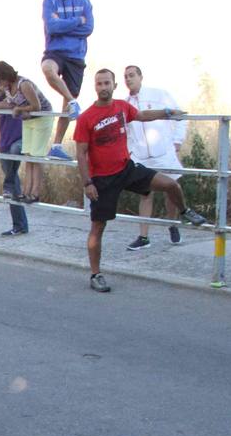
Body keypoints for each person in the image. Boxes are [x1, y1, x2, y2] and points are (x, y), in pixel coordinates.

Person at [74, 69, 207, 293]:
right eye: (99, 84)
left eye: (107, 83)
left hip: (126, 169)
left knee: (170, 184)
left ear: (114, 85)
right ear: (95, 87)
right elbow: (80, 153)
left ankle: (184, 212)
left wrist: (167, 112)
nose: (103, 87)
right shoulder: (86, 117)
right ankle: (96, 275)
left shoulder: (122, 107)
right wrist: (88, 183)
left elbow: (143, 116)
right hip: (102, 179)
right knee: (98, 227)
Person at [123, 65, 187, 249]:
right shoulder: (126, 103)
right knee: (145, 193)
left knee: (172, 188)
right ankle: (143, 237)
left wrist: (177, 141)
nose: (129, 79)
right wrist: (130, 152)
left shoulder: (159, 94)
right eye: (126, 76)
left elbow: (179, 115)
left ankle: (173, 225)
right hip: (141, 156)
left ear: (140, 77)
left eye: (132, 75)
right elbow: (126, 131)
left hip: (164, 152)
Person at [42, 0, 93, 161]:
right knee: (48, 69)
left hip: (76, 55)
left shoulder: (83, 0)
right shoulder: (49, 1)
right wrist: (76, 21)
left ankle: (56, 146)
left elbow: (88, 28)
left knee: (67, 102)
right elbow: (52, 27)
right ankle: (73, 102)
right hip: (55, 51)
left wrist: (68, 24)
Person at [0, 61, 52, 207]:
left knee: (36, 155)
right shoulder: (8, 88)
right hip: (28, 119)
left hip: (42, 118)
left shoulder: (24, 84)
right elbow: (8, 104)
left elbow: (37, 106)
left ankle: (35, 192)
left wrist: (20, 110)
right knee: (28, 155)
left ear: (5, 76)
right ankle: (26, 192)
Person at [0, 76, 30, 237]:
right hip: (4, 144)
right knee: (13, 184)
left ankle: (7, 185)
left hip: (19, 140)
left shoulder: (14, 92)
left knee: (15, 157)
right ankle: (20, 225)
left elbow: (10, 103)